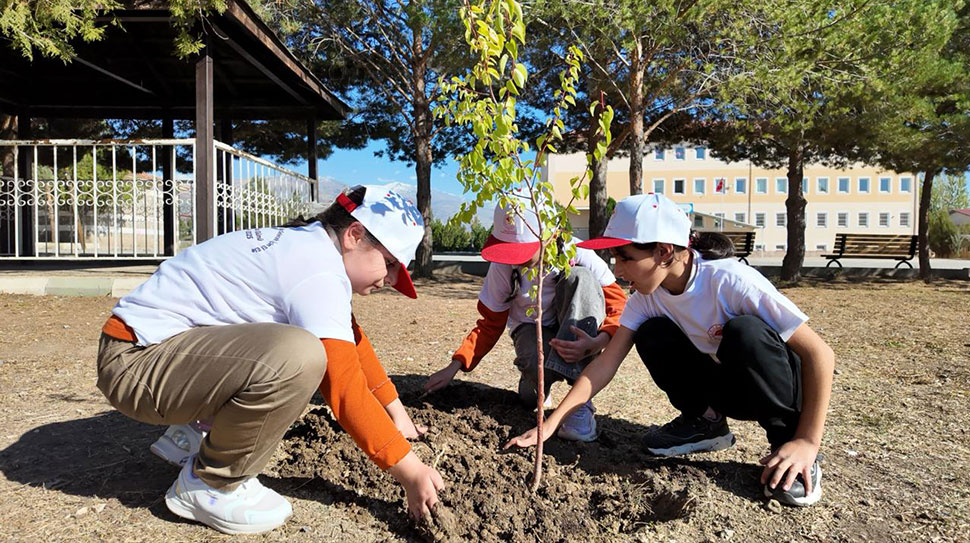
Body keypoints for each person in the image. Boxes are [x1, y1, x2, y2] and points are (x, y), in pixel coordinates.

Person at [96, 185, 444, 534]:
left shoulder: (308, 247)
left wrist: (396, 413)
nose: (389, 279)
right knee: (300, 355)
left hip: (152, 356)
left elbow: (354, 343)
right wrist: (410, 471)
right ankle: (211, 485)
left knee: (291, 349)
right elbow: (344, 385)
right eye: (388, 263)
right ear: (354, 235)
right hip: (136, 365)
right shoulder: (318, 270)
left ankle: (191, 435)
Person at [506, 192, 835, 507]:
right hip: (728, 385)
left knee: (745, 332)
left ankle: (790, 445)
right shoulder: (646, 299)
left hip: (774, 387)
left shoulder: (731, 281)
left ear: (664, 252)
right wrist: (550, 424)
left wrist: (808, 440)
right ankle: (706, 423)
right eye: (615, 258)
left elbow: (820, 354)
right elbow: (604, 366)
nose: (617, 270)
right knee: (651, 332)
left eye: (626, 257)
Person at [424, 192, 627, 442]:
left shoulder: (578, 253)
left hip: (576, 333)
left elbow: (619, 306)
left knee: (581, 277)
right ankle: (536, 383)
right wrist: (455, 365)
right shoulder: (503, 267)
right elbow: (490, 323)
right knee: (530, 395)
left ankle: (579, 409)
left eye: (523, 250)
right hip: (529, 329)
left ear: (550, 236)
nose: (515, 259)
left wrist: (598, 342)